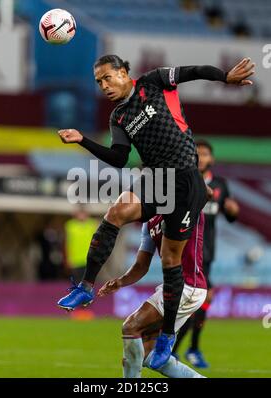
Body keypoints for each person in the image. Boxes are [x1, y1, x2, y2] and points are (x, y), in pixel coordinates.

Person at [57, 55, 254, 368]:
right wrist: (82, 139)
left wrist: (224, 77)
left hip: (187, 180)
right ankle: (84, 287)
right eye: (99, 82)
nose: (104, 86)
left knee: (172, 261)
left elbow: (194, 70)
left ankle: (166, 338)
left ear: (124, 73)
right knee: (117, 210)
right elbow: (120, 159)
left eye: (108, 77)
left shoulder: (154, 81)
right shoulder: (119, 117)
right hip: (157, 179)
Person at [98, 212, 206, 378]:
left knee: (131, 326)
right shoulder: (149, 223)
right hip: (175, 287)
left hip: (188, 286)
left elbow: (203, 192)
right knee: (148, 354)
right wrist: (120, 281)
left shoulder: (187, 206)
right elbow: (141, 264)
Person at [172, 139, 239, 368]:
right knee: (195, 301)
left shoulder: (220, 184)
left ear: (212, 159)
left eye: (205, 154)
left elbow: (230, 214)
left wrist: (233, 210)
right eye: (197, 154)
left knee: (201, 301)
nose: (201, 158)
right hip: (183, 250)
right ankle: (181, 348)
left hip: (206, 253)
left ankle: (183, 349)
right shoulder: (184, 179)